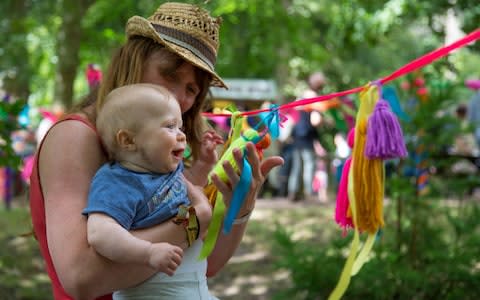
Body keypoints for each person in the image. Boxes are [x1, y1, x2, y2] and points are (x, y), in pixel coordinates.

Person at [29, 2, 283, 299]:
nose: (180, 97)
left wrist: (240, 206)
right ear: (134, 61)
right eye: (170, 75)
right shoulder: (76, 136)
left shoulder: (156, 155)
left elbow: (202, 263)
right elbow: (81, 279)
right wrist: (193, 222)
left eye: (192, 89)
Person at [83, 83, 214, 299]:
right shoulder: (117, 182)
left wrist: (204, 166)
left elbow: (187, 197)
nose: (181, 135)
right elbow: (100, 233)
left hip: (194, 284)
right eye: (170, 126)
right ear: (128, 140)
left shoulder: (168, 170)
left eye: (180, 127)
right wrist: (148, 252)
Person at [287, 72, 324, 202]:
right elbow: (315, 121)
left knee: (297, 166)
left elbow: (294, 115)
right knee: (309, 165)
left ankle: (293, 193)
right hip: (307, 135)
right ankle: (308, 193)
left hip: (297, 135)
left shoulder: (301, 96)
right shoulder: (313, 96)